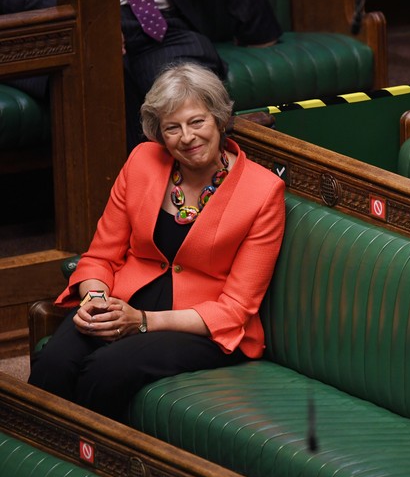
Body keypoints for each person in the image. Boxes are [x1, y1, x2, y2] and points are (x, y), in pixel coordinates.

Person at [28, 62, 286, 422]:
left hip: (201, 326)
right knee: (53, 364)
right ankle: (48, 466)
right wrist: (95, 300)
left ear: (219, 119)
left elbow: (235, 309)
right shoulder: (142, 162)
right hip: (122, 301)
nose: (187, 137)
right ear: (159, 135)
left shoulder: (262, 192)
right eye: (172, 128)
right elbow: (101, 255)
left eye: (197, 122)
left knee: (104, 371)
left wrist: (144, 321)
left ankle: (98, 466)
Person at [122, 0, 282, 152]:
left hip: (165, 20)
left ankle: (224, 153)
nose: (187, 137)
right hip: (107, 20)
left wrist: (257, 27)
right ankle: (139, 169)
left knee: (189, 75)